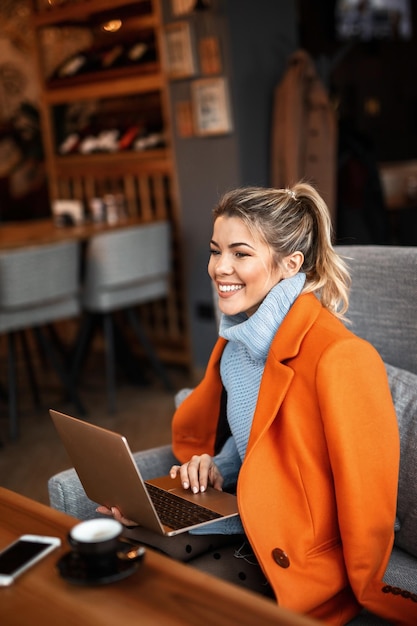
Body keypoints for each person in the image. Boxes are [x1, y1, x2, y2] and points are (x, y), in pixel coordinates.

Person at [99, 182, 416, 625]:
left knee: (181, 600)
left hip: (304, 548)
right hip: (247, 514)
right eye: (215, 250)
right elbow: (257, 442)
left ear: (290, 265)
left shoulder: (341, 356)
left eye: (241, 253)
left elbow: (368, 492)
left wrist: (368, 578)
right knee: (128, 547)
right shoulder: (235, 348)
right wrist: (216, 465)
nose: (220, 268)